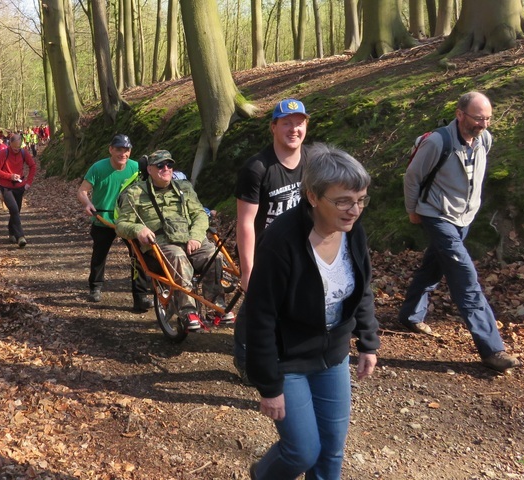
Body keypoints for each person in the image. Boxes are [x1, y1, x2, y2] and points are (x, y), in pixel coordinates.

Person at [245, 143, 379, 480]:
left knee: (332, 449)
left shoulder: (352, 231)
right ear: (313, 196)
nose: (354, 210)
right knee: (302, 451)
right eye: (344, 201)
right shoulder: (282, 240)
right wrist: (269, 385)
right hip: (287, 359)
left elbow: (362, 286)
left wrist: (367, 342)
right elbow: (260, 315)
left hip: (332, 356)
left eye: (360, 199)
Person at [399, 91, 519, 372]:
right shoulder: (437, 142)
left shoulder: (484, 139)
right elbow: (413, 177)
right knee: (466, 278)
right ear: (459, 114)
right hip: (436, 215)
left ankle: (409, 315)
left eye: (488, 118)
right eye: (478, 118)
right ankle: (492, 350)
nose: (484, 125)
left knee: (434, 266)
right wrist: (412, 210)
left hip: (464, 218)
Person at [233, 98, 310, 384]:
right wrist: (248, 270)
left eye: (299, 123)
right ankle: (244, 356)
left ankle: (290, 351)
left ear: (306, 127)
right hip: (265, 251)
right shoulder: (257, 168)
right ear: (274, 127)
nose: (294, 129)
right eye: (286, 123)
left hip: (301, 249)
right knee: (257, 304)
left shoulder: (312, 162)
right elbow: (245, 222)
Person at [115, 150, 229, 330]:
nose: (166, 169)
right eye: (160, 165)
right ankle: (188, 309)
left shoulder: (184, 188)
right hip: (162, 242)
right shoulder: (135, 193)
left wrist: (196, 237)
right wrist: (138, 229)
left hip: (192, 239)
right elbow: (121, 224)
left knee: (214, 256)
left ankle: (216, 306)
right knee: (177, 256)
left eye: (169, 165)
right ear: (150, 169)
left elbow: (200, 214)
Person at [77, 134, 152, 311]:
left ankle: (140, 297)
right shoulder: (98, 168)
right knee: (100, 254)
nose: (123, 153)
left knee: (138, 255)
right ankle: (95, 286)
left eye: (126, 150)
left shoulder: (136, 168)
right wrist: (88, 204)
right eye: (118, 149)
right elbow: (82, 191)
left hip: (128, 221)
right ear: (111, 149)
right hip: (103, 218)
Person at [0, 133, 37, 248]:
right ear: (10, 144)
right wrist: (10, 176)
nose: (16, 150)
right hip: (6, 187)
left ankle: (11, 231)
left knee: (16, 211)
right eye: (14, 148)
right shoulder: (4, 153)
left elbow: (33, 166)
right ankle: (20, 237)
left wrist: (28, 183)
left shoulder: (24, 152)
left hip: (19, 187)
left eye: (18, 147)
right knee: (14, 209)